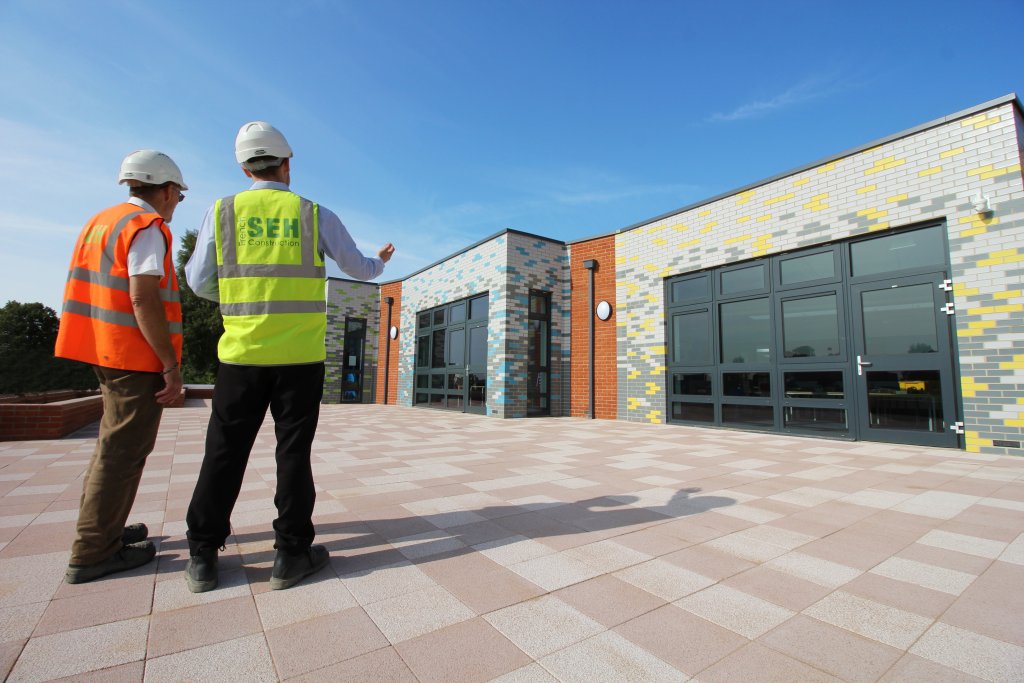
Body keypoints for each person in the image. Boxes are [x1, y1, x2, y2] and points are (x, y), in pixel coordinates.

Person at [183, 121, 394, 592]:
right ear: (287, 164)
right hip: (299, 359)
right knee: (292, 454)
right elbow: (358, 268)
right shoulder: (313, 213)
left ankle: (202, 556)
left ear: (243, 167)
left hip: (240, 356)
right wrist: (382, 261)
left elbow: (197, 282)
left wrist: (244, 298)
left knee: (223, 452)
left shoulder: (220, 211)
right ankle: (291, 554)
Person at [55, 150, 187, 584]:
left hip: (101, 348)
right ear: (166, 190)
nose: (176, 205)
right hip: (133, 355)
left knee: (111, 447)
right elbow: (141, 297)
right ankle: (93, 550)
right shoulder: (147, 228)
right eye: (178, 197)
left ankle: (104, 530)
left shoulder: (101, 222)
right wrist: (169, 364)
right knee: (122, 453)